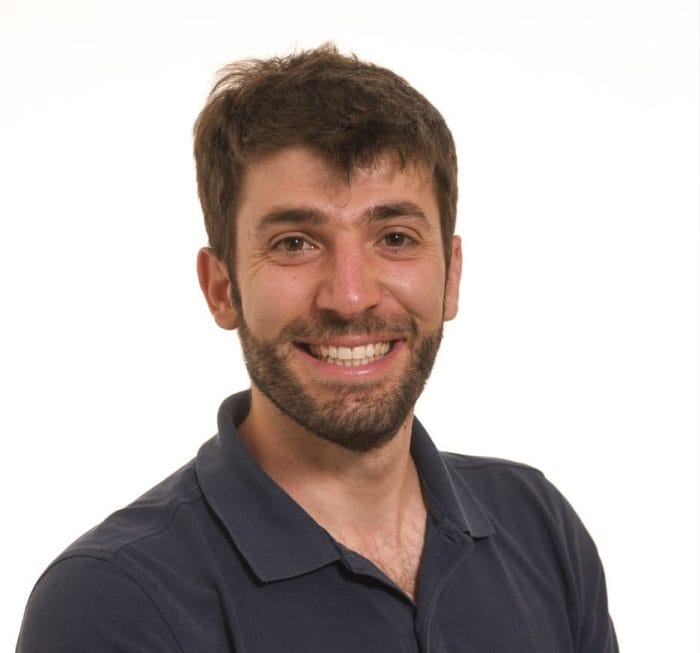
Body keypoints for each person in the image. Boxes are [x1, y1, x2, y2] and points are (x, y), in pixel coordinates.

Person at [17, 44, 618, 652]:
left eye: (395, 237)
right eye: (295, 243)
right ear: (221, 288)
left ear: (451, 276)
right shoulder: (111, 602)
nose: (350, 297)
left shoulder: (538, 525)